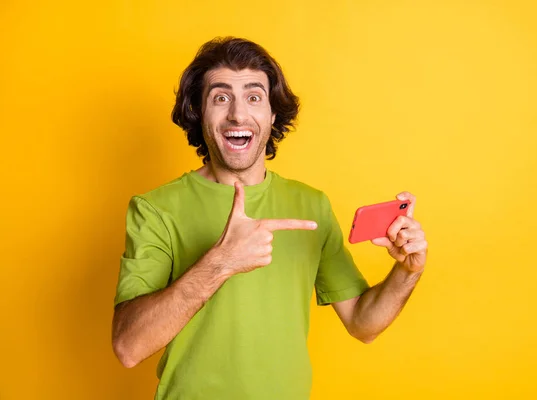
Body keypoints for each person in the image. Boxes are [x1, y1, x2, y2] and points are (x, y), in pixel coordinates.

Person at [111, 36, 428, 400]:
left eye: (253, 96)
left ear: (272, 114)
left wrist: (407, 271)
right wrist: (221, 262)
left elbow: (363, 324)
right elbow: (128, 346)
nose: (238, 114)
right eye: (220, 97)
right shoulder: (155, 208)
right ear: (200, 113)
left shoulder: (311, 206)